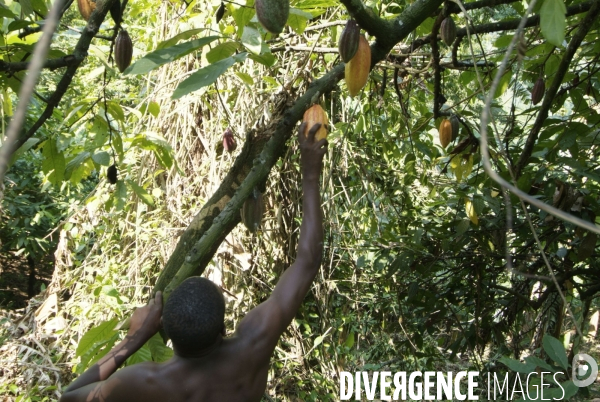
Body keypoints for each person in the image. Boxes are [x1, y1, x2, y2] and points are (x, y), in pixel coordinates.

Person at [59, 122, 328, 402]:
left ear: (168, 333)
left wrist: (134, 339)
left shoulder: (143, 381)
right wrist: (310, 172)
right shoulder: (254, 345)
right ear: (223, 328)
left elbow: (69, 397)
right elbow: (308, 262)